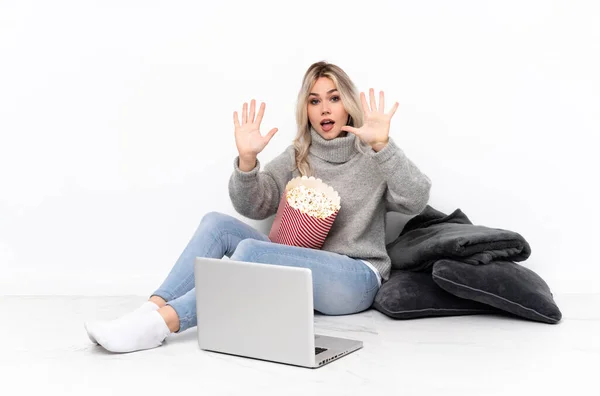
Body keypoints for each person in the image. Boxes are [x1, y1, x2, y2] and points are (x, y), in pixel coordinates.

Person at [84, 61, 432, 353]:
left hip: (355, 279)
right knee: (216, 223)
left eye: (334, 98)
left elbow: (416, 199)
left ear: (348, 104)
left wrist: (383, 146)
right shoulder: (298, 155)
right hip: (299, 273)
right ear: (306, 110)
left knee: (251, 250)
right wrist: (248, 162)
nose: (324, 108)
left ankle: (161, 326)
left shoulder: (373, 156)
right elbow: (254, 205)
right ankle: (148, 312)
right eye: (314, 101)